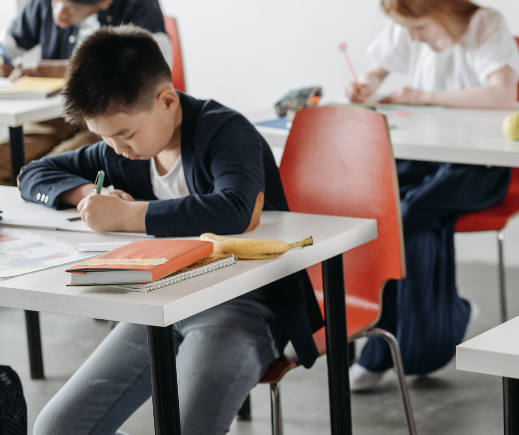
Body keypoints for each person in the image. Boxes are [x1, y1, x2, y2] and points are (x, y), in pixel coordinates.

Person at [18, 26, 322, 435]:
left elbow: (237, 208)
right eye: (105, 138)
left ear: (166, 101)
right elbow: (34, 173)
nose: (116, 148)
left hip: (243, 304)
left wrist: (128, 216)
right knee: (56, 428)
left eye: (124, 134)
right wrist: (88, 193)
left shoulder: (225, 131)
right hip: (158, 302)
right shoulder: (123, 150)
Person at [343, 0, 519, 390]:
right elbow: (377, 68)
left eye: (419, 28)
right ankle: (437, 323)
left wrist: (423, 96)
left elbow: (503, 94)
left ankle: (388, 349)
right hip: (426, 158)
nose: (411, 37)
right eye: (405, 28)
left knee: (410, 213)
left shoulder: (485, 25)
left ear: (442, 6)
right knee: (378, 207)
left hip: (481, 167)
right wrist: (366, 84)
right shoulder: (409, 26)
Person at [0, 0, 170, 186]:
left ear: (104, 2)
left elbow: (154, 67)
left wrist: (52, 70)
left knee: (49, 169)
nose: (59, 14)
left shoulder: (137, 2)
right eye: (56, 0)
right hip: (57, 114)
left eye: (72, 8)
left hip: (111, 118)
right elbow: (6, 42)